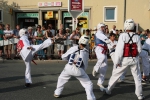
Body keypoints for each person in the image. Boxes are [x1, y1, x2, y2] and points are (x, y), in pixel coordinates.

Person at [103, 19, 144, 100]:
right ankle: (139, 95)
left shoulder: (123, 35)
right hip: (134, 59)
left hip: (124, 60)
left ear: (125, 26)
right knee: (137, 77)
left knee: (115, 75)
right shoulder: (137, 36)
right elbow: (139, 49)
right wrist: (135, 56)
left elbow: (119, 50)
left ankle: (108, 90)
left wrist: (117, 61)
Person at [54, 35, 96, 100]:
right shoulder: (86, 52)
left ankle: (57, 93)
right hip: (78, 70)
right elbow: (85, 64)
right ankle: (90, 98)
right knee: (88, 84)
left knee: (61, 79)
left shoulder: (73, 48)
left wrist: (68, 59)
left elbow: (63, 57)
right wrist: (83, 71)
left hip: (68, 67)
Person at [92, 23, 110, 91]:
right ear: (99, 27)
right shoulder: (99, 33)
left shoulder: (102, 33)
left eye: (104, 27)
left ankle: (100, 83)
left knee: (104, 67)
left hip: (104, 49)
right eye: (102, 27)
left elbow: (106, 40)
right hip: (99, 48)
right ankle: (95, 68)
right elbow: (105, 39)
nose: (104, 28)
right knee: (101, 57)